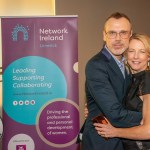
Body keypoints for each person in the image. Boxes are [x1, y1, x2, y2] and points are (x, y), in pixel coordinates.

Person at [82, 12, 142, 150]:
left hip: (127, 140)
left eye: (123, 33)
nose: (118, 39)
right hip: (103, 142)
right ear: (104, 35)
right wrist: (146, 117)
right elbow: (115, 114)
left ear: (130, 34)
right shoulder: (96, 65)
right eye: (112, 33)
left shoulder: (131, 63)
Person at [94, 33, 150, 150]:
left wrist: (114, 132)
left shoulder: (147, 79)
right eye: (131, 51)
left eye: (142, 52)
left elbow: (148, 131)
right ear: (126, 53)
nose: (135, 56)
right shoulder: (131, 79)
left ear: (148, 56)